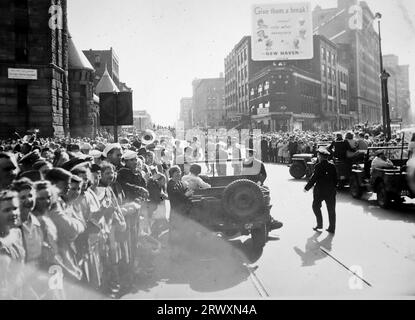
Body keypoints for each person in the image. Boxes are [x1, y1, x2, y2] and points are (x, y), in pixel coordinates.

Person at [304, 147, 337, 234]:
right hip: (330, 191)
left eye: (318, 155)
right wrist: (333, 188)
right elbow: (336, 179)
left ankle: (319, 225)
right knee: (331, 210)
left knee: (315, 207)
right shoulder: (332, 166)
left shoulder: (318, 166)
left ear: (320, 156)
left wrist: (306, 188)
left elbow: (314, 178)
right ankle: (332, 228)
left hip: (320, 191)